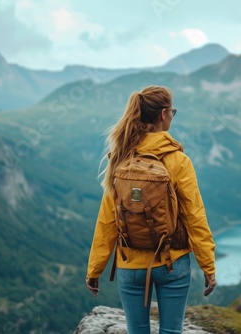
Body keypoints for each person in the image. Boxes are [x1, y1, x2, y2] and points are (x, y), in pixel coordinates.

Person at [85, 85, 217, 334]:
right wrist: (208, 266)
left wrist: (95, 269)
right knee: (171, 331)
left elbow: (107, 220)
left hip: (129, 263)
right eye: (173, 112)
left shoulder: (121, 156)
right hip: (172, 263)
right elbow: (194, 216)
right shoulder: (178, 160)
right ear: (163, 114)